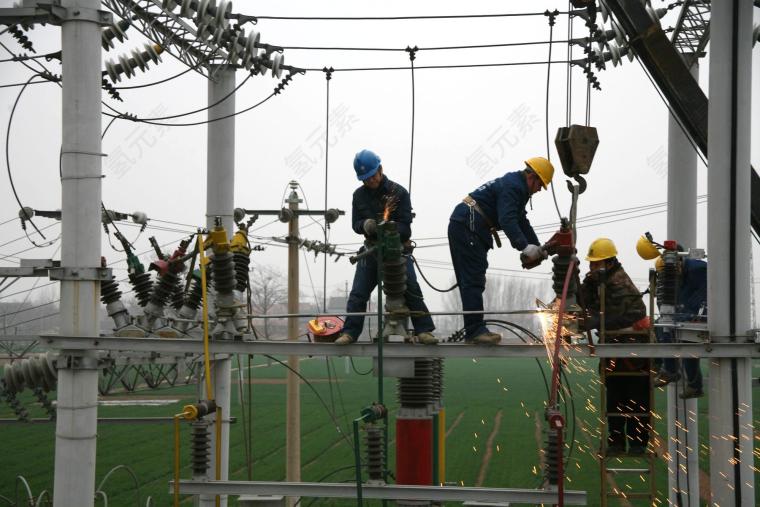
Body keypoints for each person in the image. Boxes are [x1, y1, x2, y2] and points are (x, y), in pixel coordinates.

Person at [335, 149, 437, 345]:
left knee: (412, 288)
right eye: (366, 179)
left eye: (373, 176)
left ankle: (424, 330)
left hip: (396, 250)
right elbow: (356, 224)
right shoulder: (358, 196)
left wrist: (390, 229)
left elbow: (406, 228)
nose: (370, 181)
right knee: (358, 293)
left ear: (380, 170)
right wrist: (366, 225)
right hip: (371, 251)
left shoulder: (398, 193)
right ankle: (349, 333)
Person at [447, 157, 553, 344]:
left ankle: (474, 329)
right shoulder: (514, 187)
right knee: (473, 279)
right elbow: (507, 220)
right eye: (540, 185)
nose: (539, 190)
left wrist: (537, 247)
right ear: (532, 177)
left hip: (464, 223)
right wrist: (525, 247)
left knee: (470, 280)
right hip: (469, 225)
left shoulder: (516, 185)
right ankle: (475, 331)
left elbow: (521, 221)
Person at [580, 238, 650, 455]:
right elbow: (586, 304)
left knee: (637, 400)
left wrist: (597, 323)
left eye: (596, 264)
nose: (592, 267)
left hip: (634, 352)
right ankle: (616, 442)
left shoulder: (620, 282)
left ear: (609, 262)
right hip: (612, 351)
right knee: (614, 400)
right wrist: (582, 285)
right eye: (591, 264)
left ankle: (638, 444)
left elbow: (631, 314)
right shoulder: (598, 282)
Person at [652, 255, 706, 399]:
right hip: (692, 314)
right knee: (662, 325)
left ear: (678, 264)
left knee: (683, 338)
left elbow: (705, 295)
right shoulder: (680, 275)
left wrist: (689, 313)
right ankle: (669, 369)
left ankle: (671, 371)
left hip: (707, 314)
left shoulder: (698, 269)